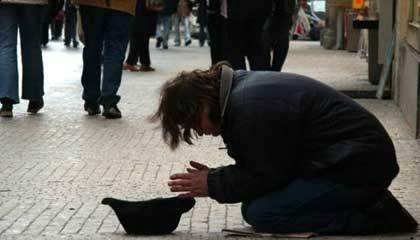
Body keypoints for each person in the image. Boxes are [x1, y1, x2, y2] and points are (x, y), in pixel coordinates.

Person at [151, 62, 419, 235]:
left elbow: (268, 174)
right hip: (347, 160)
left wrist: (214, 182)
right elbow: (268, 162)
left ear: (203, 100)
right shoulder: (239, 95)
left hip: (356, 167)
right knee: (258, 204)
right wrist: (216, 177)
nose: (202, 132)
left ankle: (374, 216)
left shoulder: (249, 108)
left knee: (263, 213)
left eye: (196, 123)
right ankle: (366, 201)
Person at [72, 0, 137, 119]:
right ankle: (109, 101)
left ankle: (91, 100)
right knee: (115, 50)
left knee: (92, 47)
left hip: (92, 4)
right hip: (123, 5)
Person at [0, 0, 48, 118]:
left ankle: (7, 99)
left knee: (6, 45)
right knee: (32, 46)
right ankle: (34, 97)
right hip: (33, 3)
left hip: (5, 1)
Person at [224, 0, 272, 70]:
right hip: (259, 9)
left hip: (236, 12)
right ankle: (257, 77)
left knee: (236, 52)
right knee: (256, 51)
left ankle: (241, 78)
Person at [124, 0, 158, 72]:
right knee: (140, 36)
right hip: (143, 13)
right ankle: (131, 62)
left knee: (142, 37)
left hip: (141, 12)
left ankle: (143, 63)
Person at [261, 0, 295, 71]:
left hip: (281, 18)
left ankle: (273, 72)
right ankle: (270, 72)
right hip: (268, 18)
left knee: (281, 44)